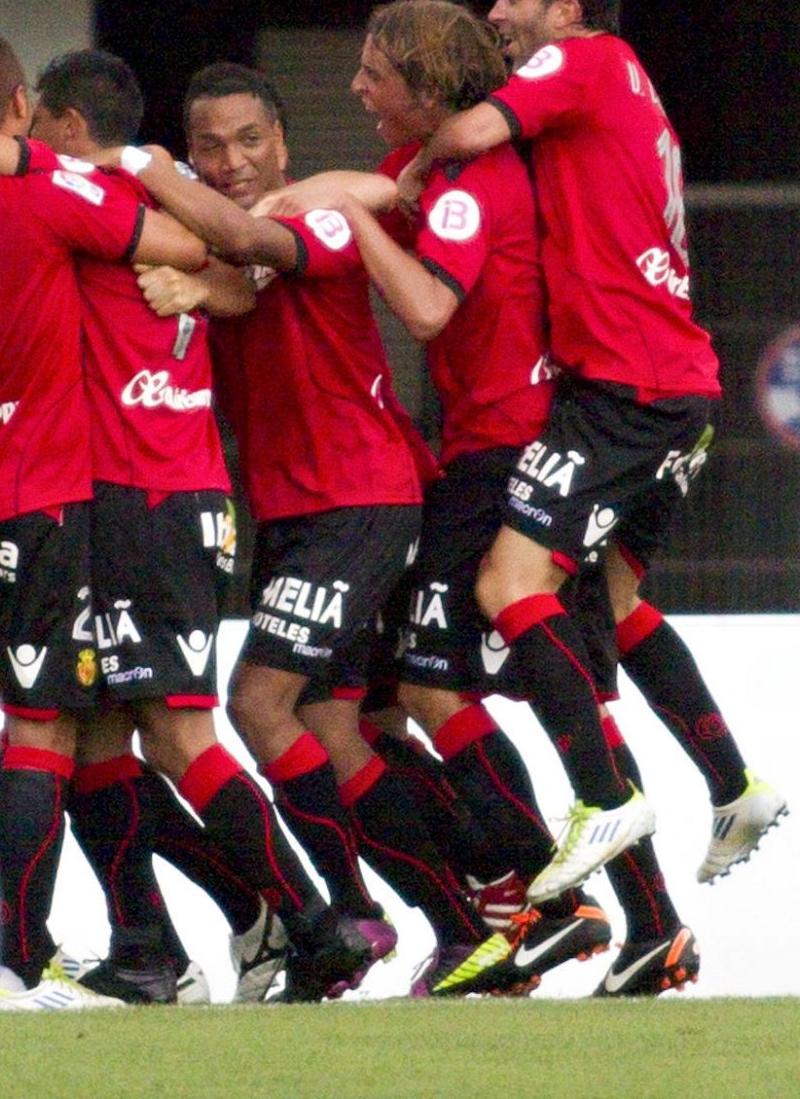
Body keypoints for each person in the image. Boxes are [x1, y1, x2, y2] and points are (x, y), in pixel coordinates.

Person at [0, 48, 379, 1006]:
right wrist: (209, 285)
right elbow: (243, 279)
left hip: (135, 493)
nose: (30, 135)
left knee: (167, 735)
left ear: (65, 125)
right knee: (97, 741)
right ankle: (159, 945)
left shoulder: (76, 191)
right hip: (168, 492)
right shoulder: (155, 199)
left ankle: (307, 918)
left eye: (40, 120)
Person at [406, 0, 787, 995]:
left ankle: (597, 796)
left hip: (621, 387)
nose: (498, 11)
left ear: (566, 9)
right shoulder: (615, 82)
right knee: (607, 598)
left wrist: (411, 166)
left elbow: (474, 121)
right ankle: (729, 780)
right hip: (672, 381)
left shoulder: (577, 62)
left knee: (506, 581)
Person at [131, 63, 528, 998]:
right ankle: (464, 922)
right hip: (296, 510)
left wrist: (146, 176)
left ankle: (355, 917)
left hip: (359, 500)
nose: (229, 161)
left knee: (260, 706)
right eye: (209, 147)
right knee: (334, 727)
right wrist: (197, 276)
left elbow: (365, 194)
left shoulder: (314, 212)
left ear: (283, 140)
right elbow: (233, 279)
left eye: (250, 140)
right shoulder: (229, 234)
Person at [0, 33, 206, 1012]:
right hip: (36, 494)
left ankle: (69, 950)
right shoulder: (37, 193)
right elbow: (178, 245)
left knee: (33, 725)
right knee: (40, 727)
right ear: (18, 108)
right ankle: (21, 961)